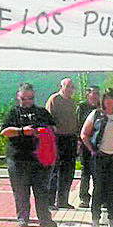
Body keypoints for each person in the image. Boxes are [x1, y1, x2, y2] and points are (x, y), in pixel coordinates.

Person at [0, 83, 57, 227]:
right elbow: (4, 132)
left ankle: (45, 219)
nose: (27, 101)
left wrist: (43, 132)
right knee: (20, 191)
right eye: (24, 98)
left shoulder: (41, 112)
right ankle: (22, 218)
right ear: (18, 97)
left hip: (40, 160)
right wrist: (22, 131)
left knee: (42, 191)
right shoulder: (13, 113)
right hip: (18, 158)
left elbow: (53, 128)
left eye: (30, 98)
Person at [80, 88, 113, 227]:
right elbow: (84, 134)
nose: (109, 101)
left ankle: (112, 219)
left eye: (111, 98)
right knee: (98, 188)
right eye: (106, 98)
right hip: (99, 157)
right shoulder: (96, 114)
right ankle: (95, 219)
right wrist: (92, 150)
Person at [45, 77, 79, 209]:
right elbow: (47, 119)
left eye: (71, 87)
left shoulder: (72, 103)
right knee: (55, 171)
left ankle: (63, 201)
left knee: (68, 171)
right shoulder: (54, 100)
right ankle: (49, 201)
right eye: (67, 86)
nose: (70, 89)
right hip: (56, 138)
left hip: (70, 138)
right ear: (61, 87)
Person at [75, 85, 100, 208]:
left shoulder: (102, 108)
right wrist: (79, 141)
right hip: (85, 143)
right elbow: (78, 125)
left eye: (97, 93)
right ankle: (84, 198)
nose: (95, 95)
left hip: (99, 144)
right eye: (93, 93)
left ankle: (99, 197)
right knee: (85, 172)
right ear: (88, 94)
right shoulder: (82, 107)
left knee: (99, 172)